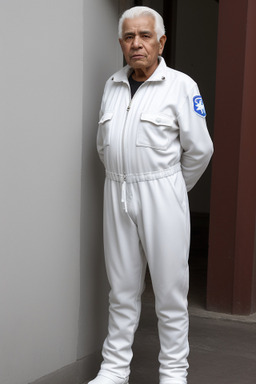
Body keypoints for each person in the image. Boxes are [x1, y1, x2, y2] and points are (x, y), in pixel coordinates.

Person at [90, 6, 213, 384]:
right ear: (121, 43)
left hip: (162, 191)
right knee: (122, 289)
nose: (136, 44)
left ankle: (174, 373)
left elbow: (201, 150)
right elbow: (102, 145)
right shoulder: (113, 85)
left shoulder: (181, 86)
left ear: (161, 41)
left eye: (145, 36)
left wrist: (174, 187)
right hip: (118, 191)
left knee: (170, 291)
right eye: (129, 37)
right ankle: (114, 370)